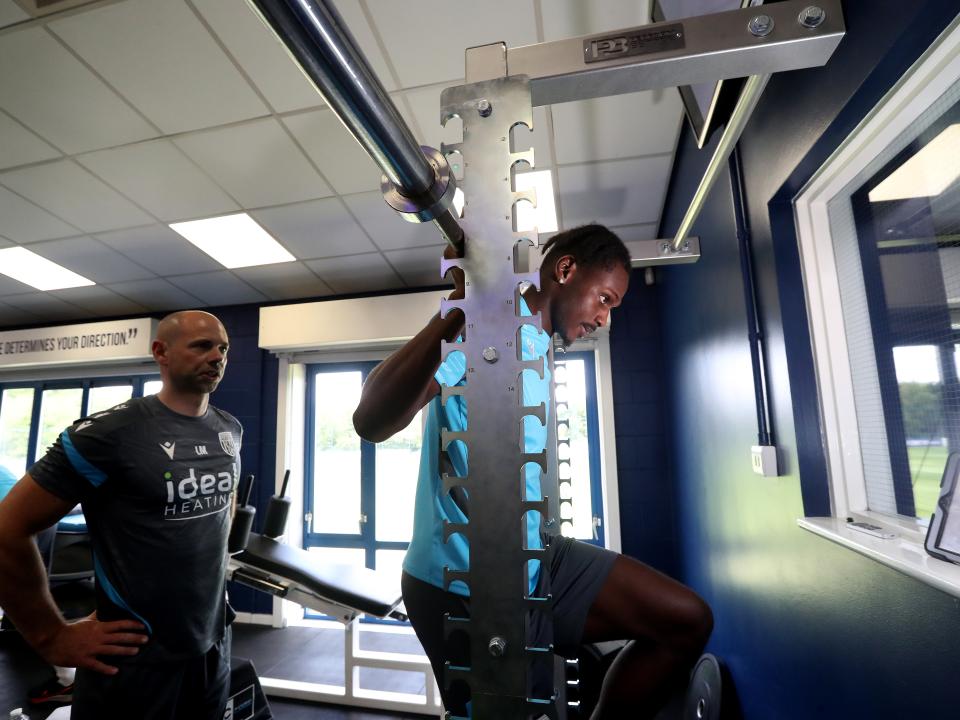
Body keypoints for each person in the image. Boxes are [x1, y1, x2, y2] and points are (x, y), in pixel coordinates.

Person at [353, 224, 714, 719]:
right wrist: (463, 305)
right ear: (565, 270)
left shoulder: (538, 346)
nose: (605, 318)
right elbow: (371, 420)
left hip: (534, 556)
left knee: (685, 621)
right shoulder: (490, 326)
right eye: (604, 299)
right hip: (461, 577)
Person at [0, 310, 242, 720]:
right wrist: (51, 636)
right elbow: (7, 528)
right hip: (133, 658)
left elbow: (221, 512)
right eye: (202, 345)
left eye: (223, 348)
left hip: (212, 644)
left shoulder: (229, 429)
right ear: (160, 352)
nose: (217, 356)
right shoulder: (108, 434)